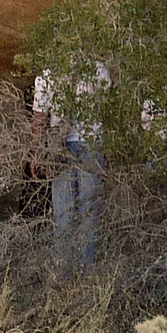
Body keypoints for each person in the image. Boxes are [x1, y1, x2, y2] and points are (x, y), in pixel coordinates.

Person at [31, 59, 111, 270]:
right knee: (89, 210)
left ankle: (64, 268)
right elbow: (107, 109)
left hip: (60, 145)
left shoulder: (47, 75)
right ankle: (87, 268)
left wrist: (35, 152)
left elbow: (39, 118)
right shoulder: (98, 69)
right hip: (91, 142)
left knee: (64, 211)